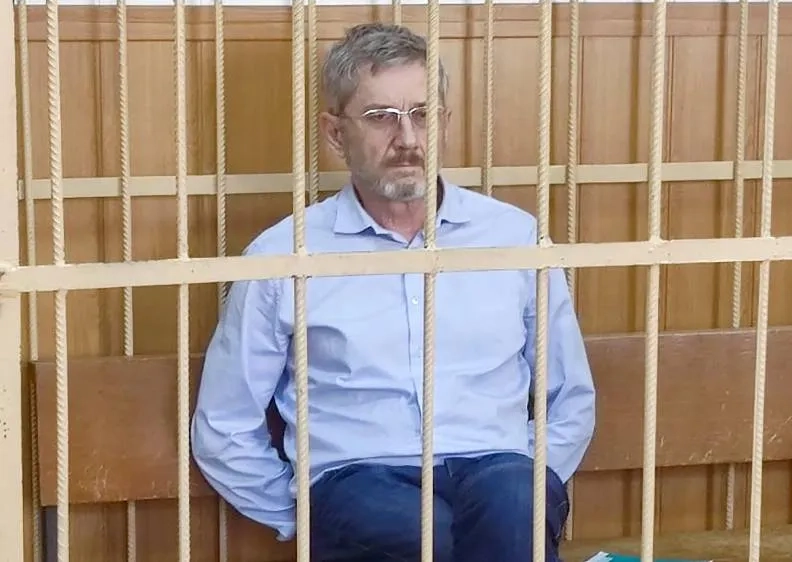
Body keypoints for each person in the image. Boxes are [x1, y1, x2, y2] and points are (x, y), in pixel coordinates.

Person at [190, 22, 596, 562]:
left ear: (443, 123)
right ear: (335, 134)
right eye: (381, 117)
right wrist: (299, 513)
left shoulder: (515, 238)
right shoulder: (284, 255)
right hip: (358, 475)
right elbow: (224, 421)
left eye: (423, 114)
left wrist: (536, 476)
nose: (408, 139)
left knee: (517, 503)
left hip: (496, 465)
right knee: (431, 533)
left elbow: (569, 397)